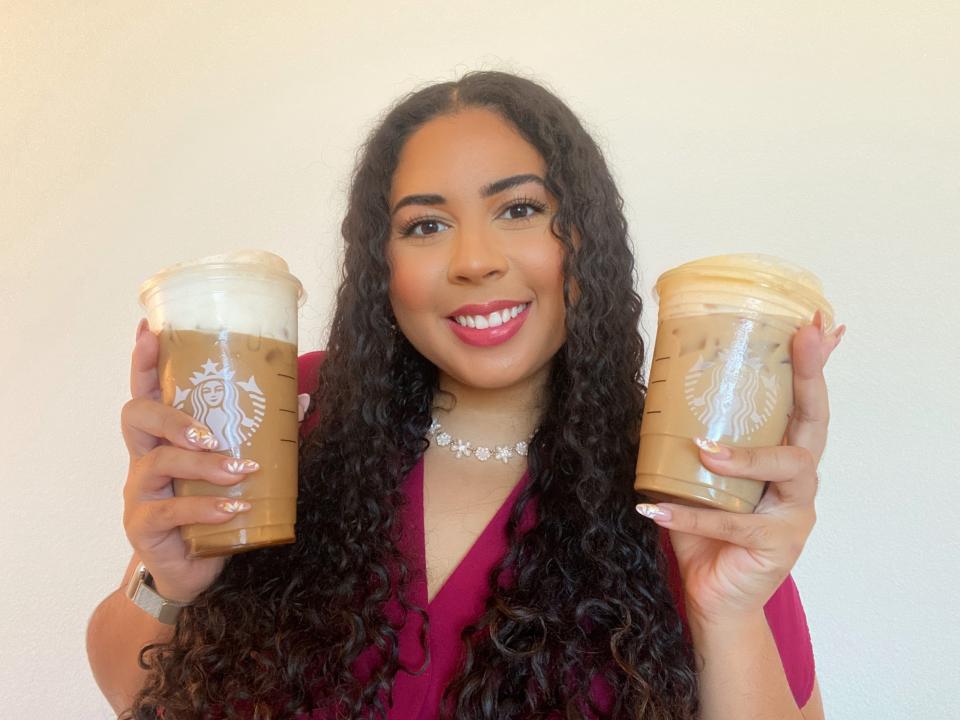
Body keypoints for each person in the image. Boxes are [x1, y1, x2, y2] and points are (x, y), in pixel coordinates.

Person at [86, 71, 844, 719]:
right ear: (381, 265)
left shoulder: (685, 471)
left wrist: (728, 611)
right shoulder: (295, 412)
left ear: (584, 238)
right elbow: (135, 691)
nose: (474, 261)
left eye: (519, 209)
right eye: (425, 225)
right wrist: (170, 584)